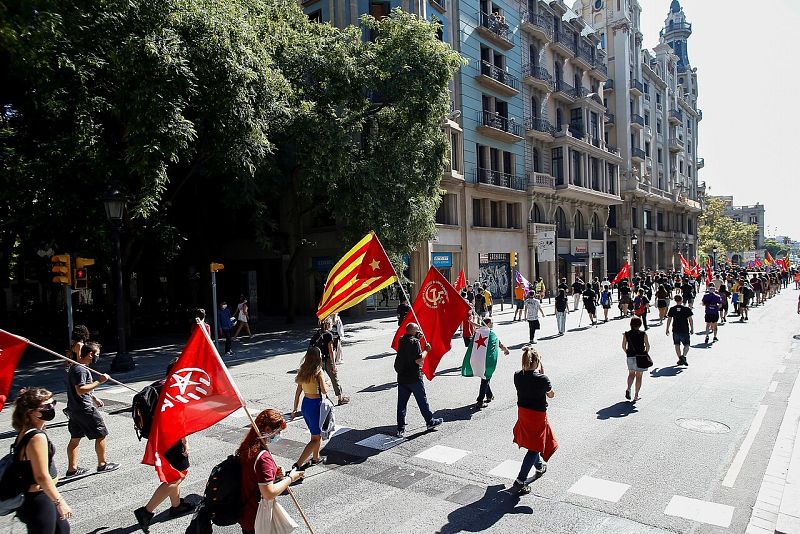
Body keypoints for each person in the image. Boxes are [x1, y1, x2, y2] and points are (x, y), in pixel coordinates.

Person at [134, 359, 194, 532]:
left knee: (175, 473)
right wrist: (185, 441)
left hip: (159, 436)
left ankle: (176, 505)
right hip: (171, 438)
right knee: (176, 477)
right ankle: (146, 511)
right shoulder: (174, 391)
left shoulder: (159, 385)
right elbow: (178, 420)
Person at [12, 387, 72, 534]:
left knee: (63, 530)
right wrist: (60, 501)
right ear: (31, 412)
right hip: (38, 499)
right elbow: (41, 476)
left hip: (40, 496)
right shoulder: (36, 437)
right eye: (46, 406)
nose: (51, 408)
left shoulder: (27, 429)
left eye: (53, 403)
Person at [238, 408, 304, 534]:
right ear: (268, 430)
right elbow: (268, 493)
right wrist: (291, 478)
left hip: (246, 513)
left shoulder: (248, 446)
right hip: (258, 518)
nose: (278, 435)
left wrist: (274, 473)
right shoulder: (263, 457)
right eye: (278, 431)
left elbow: (254, 476)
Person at [65, 342, 119, 477]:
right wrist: (100, 381)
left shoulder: (75, 367)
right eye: (97, 355)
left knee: (75, 437)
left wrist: (94, 398)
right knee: (101, 434)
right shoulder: (81, 369)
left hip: (74, 409)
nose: (97, 357)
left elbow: (79, 387)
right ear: (90, 354)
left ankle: (72, 469)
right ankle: (102, 464)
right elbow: (80, 389)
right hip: (85, 409)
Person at [510, 347, 557, 495]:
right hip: (537, 415)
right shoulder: (542, 379)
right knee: (535, 446)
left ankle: (539, 466)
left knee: (533, 442)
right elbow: (551, 395)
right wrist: (543, 374)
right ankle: (520, 480)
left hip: (523, 413)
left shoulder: (517, 375)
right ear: (537, 361)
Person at [394, 323, 443, 438]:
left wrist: (417, 338)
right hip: (414, 377)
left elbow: (408, 348)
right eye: (418, 330)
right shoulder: (415, 343)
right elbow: (419, 360)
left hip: (402, 377)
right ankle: (430, 421)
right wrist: (426, 350)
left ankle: (400, 428)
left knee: (401, 404)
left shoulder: (402, 340)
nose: (419, 331)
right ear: (414, 331)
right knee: (422, 401)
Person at [291, 347, 327, 470]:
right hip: (315, 404)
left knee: (316, 434)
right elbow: (324, 390)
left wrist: (295, 408)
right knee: (315, 439)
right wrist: (325, 382)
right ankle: (298, 464)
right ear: (318, 357)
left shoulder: (303, 370)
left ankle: (316, 458)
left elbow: (298, 391)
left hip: (305, 404)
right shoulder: (318, 371)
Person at [473, 318, 510, 409]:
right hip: (488, 361)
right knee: (485, 379)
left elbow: (479, 326)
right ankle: (480, 401)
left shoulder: (479, 333)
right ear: (488, 323)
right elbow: (499, 344)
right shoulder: (491, 334)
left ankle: (489, 395)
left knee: (485, 377)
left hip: (479, 360)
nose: (493, 324)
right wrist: (506, 350)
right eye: (492, 323)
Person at [316, 319, 349, 406]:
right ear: (327, 324)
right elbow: (331, 351)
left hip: (319, 360)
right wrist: (334, 365)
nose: (332, 325)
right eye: (330, 323)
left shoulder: (318, 333)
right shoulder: (329, 335)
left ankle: (318, 399)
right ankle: (340, 398)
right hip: (327, 359)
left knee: (318, 379)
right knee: (334, 378)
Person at [622, 317, 650, 402]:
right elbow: (648, 346)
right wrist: (645, 353)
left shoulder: (627, 334)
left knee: (631, 374)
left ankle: (628, 388)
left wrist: (627, 352)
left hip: (630, 356)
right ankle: (636, 395)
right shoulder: (643, 334)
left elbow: (623, 346)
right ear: (640, 324)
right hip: (640, 356)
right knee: (639, 376)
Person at [666, 295, 694, 366]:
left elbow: (669, 319)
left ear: (675, 300)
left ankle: (680, 358)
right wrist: (692, 328)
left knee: (677, 344)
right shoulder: (686, 309)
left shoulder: (672, 309)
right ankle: (683, 356)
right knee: (687, 345)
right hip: (684, 329)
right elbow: (690, 319)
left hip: (675, 329)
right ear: (681, 300)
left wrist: (667, 329)